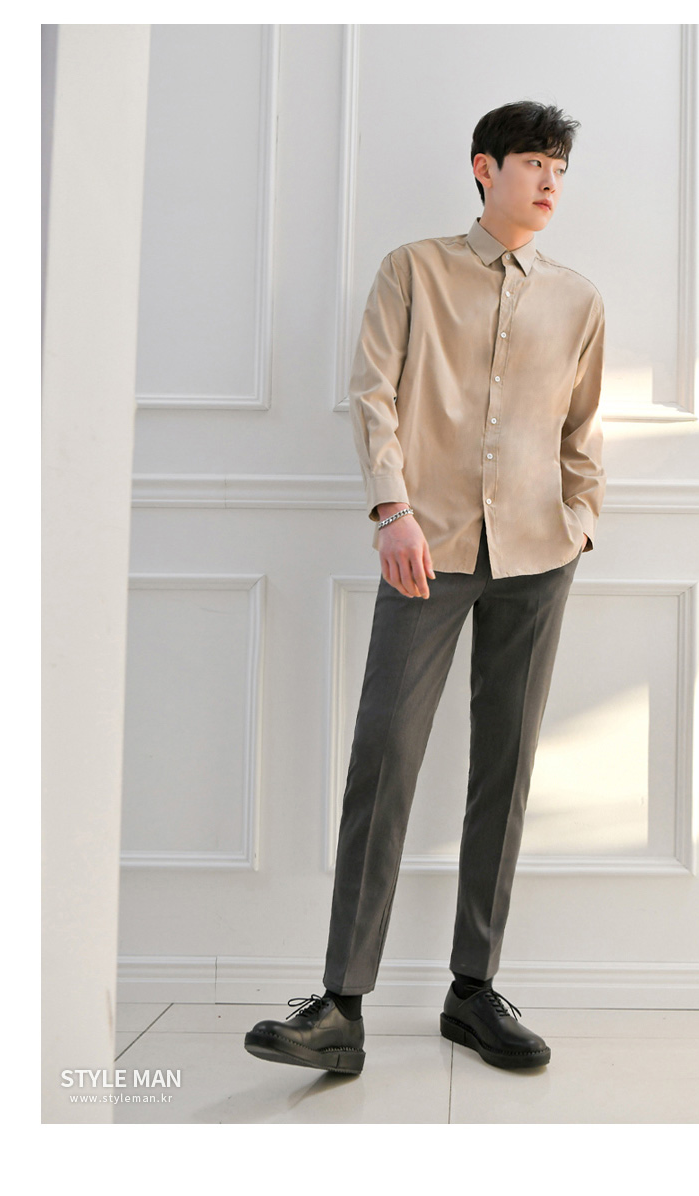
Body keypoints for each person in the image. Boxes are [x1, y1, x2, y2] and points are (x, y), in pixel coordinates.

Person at [244, 100, 606, 1076]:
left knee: (506, 766)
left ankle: (473, 990)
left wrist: (580, 521)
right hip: (426, 547)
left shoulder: (578, 299)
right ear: (484, 167)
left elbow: (582, 429)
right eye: (532, 163)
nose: (549, 182)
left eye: (559, 169)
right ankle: (341, 1004)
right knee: (386, 758)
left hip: (539, 553)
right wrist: (391, 509)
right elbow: (373, 394)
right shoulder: (413, 270)